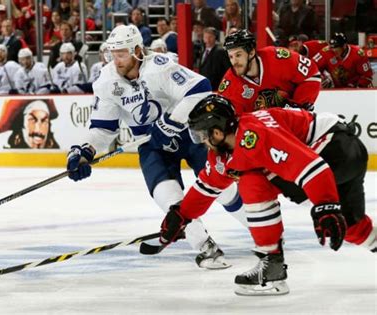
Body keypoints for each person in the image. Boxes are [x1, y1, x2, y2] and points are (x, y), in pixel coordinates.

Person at [66, 24, 244, 269]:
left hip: (191, 135)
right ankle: (205, 246)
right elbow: (103, 128)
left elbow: (200, 89)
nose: (115, 60)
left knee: (223, 189)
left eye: (122, 54)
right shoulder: (107, 81)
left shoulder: (159, 66)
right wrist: (86, 150)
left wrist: (171, 122)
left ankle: (260, 225)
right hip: (152, 146)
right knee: (169, 198)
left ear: (138, 50)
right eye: (112, 53)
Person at [159, 94, 376, 296]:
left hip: (334, 149)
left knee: (253, 180)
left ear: (216, 132)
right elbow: (207, 186)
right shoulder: (229, 149)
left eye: (202, 135)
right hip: (344, 152)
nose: (201, 141)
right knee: (351, 226)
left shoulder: (253, 135)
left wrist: (325, 205)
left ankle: (271, 264)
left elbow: (308, 166)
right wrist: (182, 215)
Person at [218, 29, 321, 115]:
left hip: (293, 124)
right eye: (230, 57)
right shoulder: (229, 86)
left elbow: (311, 75)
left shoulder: (277, 58)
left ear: (251, 52)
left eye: (238, 55)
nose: (234, 62)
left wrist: (298, 108)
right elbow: (234, 124)